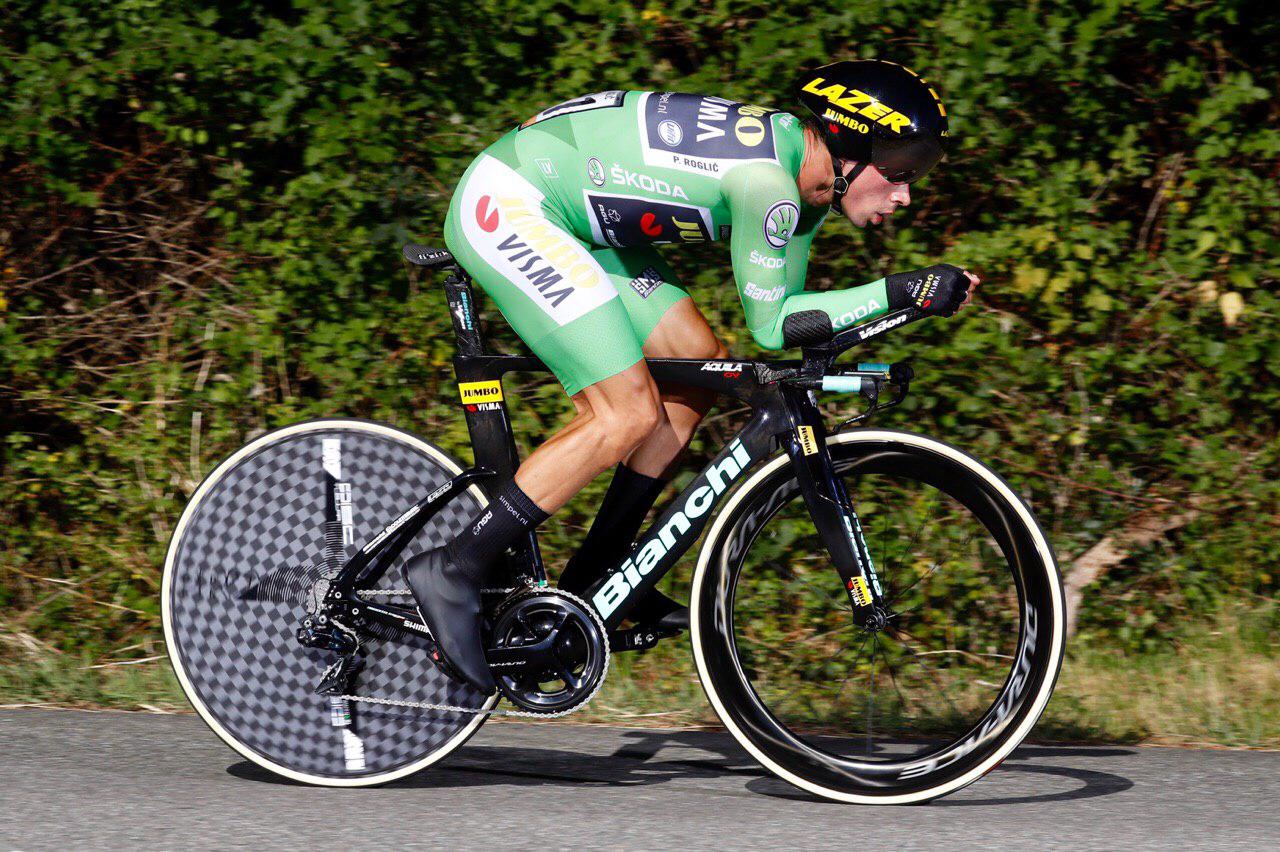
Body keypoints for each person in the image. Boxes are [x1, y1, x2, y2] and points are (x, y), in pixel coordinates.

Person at [406, 59, 980, 693]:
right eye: (901, 172)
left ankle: (602, 575)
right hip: (514, 203)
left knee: (697, 370)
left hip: (580, 216)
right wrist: (901, 291)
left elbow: (791, 316)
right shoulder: (770, 185)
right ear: (851, 145)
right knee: (625, 413)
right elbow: (775, 326)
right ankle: (455, 566)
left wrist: (899, 299)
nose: (904, 196)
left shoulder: (807, 185)